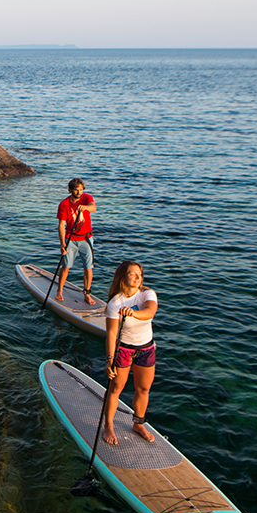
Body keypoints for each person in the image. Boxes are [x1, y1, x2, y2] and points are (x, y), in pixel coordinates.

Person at [103, 260, 158, 445]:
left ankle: (138, 423)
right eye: (133, 274)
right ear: (122, 277)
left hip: (146, 348)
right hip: (124, 348)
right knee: (116, 387)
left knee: (143, 388)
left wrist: (133, 314)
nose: (138, 278)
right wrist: (109, 359)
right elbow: (111, 334)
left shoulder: (146, 294)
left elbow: (150, 312)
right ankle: (108, 426)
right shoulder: (115, 303)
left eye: (140, 275)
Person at [55, 178, 96, 304]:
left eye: (81, 190)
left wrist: (85, 207)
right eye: (76, 190)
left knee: (88, 268)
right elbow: (62, 225)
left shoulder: (86, 198)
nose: (79, 192)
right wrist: (62, 244)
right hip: (70, 239)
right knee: (66, 266)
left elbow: (93, 207)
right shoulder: (64, 204)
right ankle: (59, 291)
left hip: (86, 239)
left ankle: (87, 293)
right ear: (70, 190)